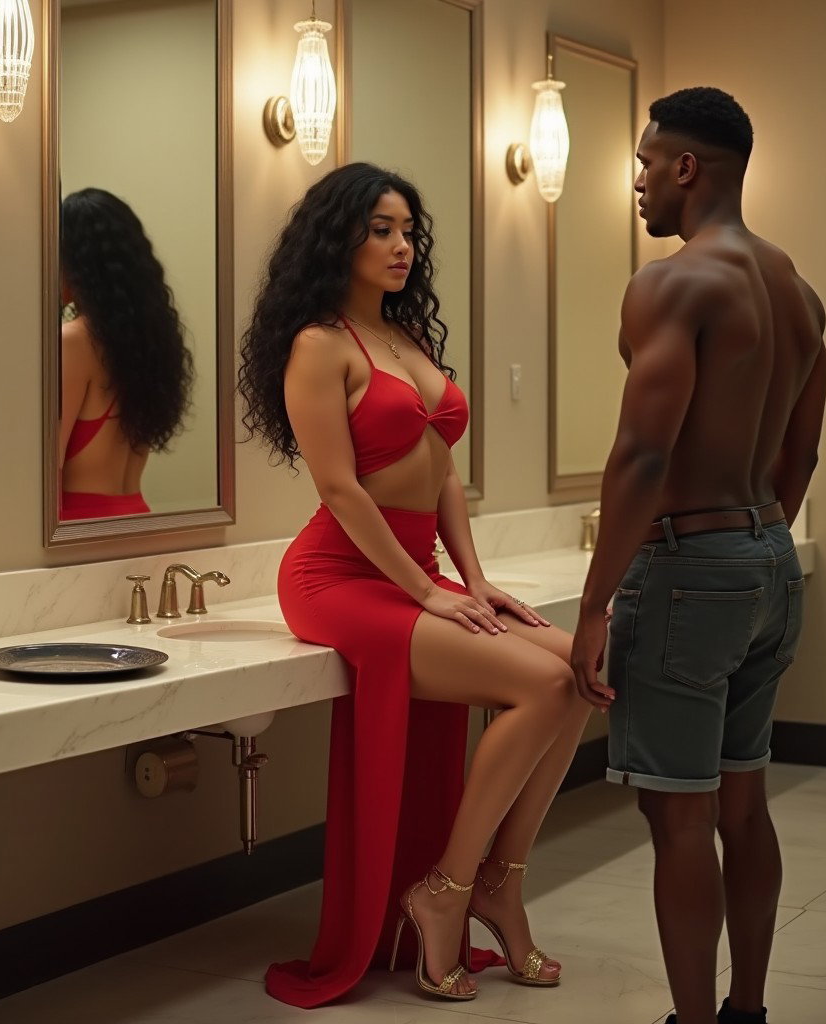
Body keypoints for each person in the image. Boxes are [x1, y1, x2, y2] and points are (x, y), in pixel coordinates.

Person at [239, 163, 591, 1007]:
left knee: (577, 673)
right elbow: (339, 490)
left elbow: (440, 478)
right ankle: (446, 891)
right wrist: (426, 592)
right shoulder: (318, 346)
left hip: (415, 567)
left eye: (407, 232)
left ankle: (495, 885)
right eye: (381, 231)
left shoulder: (408, 340)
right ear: (340, 240)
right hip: (337, 575)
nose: (401, 247)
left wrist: (473, 579)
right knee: (540, 682)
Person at [570, 88, 826, 1024]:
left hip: (690, 572)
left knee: (678, 815)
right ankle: (746, 1012)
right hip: (765, 558)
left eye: (644, 164)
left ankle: (691, 1020)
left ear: (687, 168)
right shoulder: (798, 295)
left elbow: (641, 454)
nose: (636, 182)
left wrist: (595, 607)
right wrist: (754, 542)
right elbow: (801, 452)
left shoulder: (673, 284)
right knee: (742, 804)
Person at [58, 188, 193, 520]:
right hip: (134, 518)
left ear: (73, 265)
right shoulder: (145, 343)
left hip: (78, 528)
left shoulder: (72, 342)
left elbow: (45, 470)